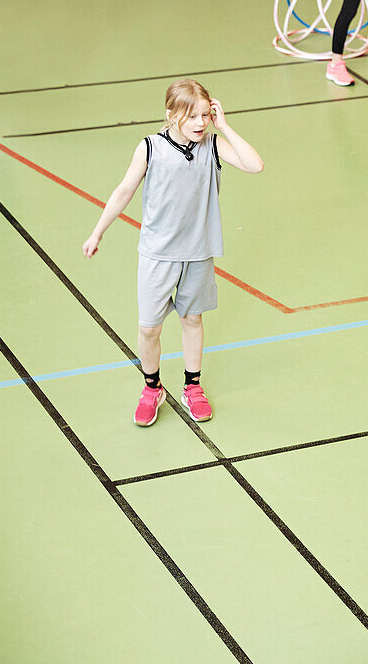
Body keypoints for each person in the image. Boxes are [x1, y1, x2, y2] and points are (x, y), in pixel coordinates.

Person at [82, 80, 264, 426]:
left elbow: (255, 165)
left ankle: (192, 387)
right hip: (157, 254)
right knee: (149, 328)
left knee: (192, 319)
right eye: (192, 116)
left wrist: (224, 126)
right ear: (171, 116)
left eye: (205, 115)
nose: (200, 123)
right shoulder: (150, 147)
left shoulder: (213, 145)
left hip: (198, 253)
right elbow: (123, 191)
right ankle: (152, 388)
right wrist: (97, 231)